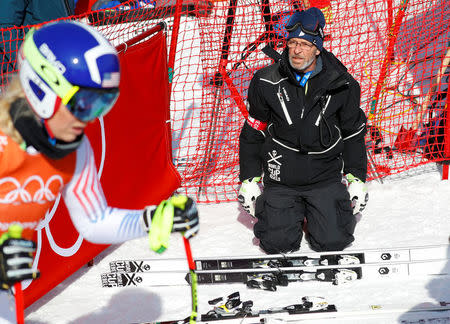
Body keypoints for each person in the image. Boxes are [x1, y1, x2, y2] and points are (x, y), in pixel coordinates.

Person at [0, 20, 199, 323]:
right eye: (84, 104)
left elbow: (94, 221)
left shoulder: (73, 150)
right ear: (44, 87)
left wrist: (151, 219)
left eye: (101, 105)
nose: (90, 119)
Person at [238, 7, 368, 254]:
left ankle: (318, 214)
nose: (296, 50)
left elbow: (352, 133)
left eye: (305, 44)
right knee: (277, 244)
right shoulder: (266, 81)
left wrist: (357, 178)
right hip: (281, 179)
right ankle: (290, 215)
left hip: (324, 177)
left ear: (318, 48)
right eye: (292, 43)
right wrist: (250, 178)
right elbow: (253, 133)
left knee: (334, 241)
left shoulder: (343, 84)